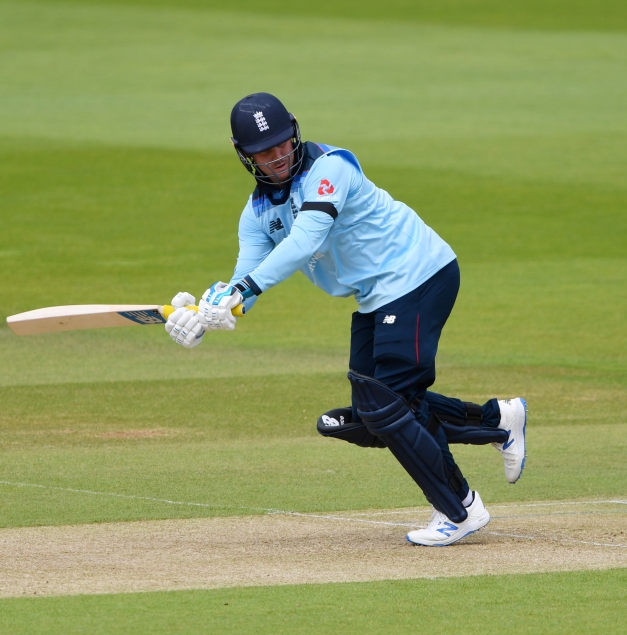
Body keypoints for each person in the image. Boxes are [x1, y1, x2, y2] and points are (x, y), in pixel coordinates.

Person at [164, 93, 527, 546]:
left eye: (282, 143)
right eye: (264, 151)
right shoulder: (256, 213)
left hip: (419, 273)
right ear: (244, 155)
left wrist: (241, 291)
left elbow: (302, 242)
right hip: (377, 295)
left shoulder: (330, 168)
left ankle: (459, 509)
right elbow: (246, 277)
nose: (277, 156)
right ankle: (498, 421)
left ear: (295, 132)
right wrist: (207, 312)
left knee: (384, 404)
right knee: (370, 418)